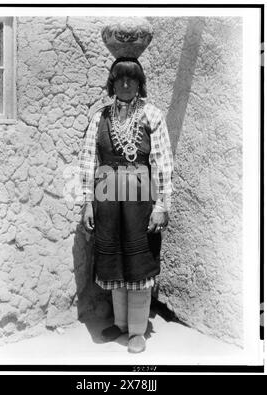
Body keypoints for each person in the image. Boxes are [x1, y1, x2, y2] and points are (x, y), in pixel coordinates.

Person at [79, 57, 173, 353]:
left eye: (132, 78)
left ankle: (137, 331)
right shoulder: (100, 117)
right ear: (112, 82)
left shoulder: (152, 115)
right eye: (119, 78)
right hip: (107, 198)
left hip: (140, 200)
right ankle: (120, 325)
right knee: (114, 263)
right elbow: (87, 161)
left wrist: (162, 205)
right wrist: (87, 203)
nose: (125, 83)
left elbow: (162, 162)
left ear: (140, 83)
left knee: (137, 264)